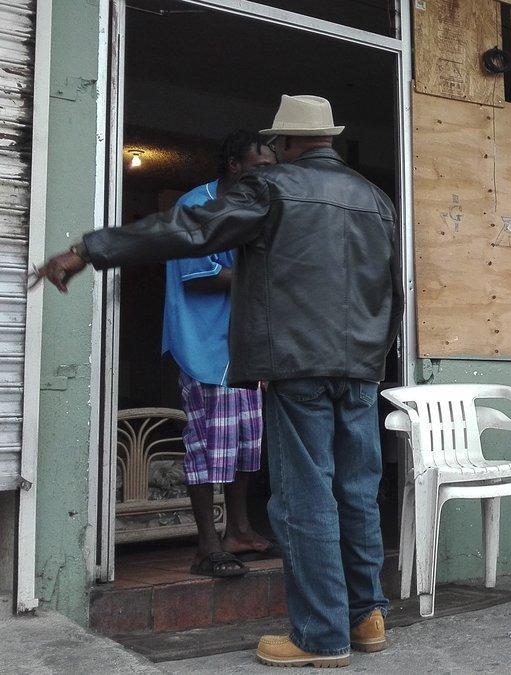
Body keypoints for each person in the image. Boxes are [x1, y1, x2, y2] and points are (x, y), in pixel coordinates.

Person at [35, 95, 402, 668]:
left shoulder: (272, 188)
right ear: (327, 139)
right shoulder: (375, 198)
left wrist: (90, 248)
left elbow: (189, 229)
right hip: (360, 366)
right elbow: (393, 286)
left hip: (297, 364)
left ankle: (321, 637)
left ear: (283, 144)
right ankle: (366, 617)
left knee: (304, 499)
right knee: (356, 491)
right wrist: (378, 355)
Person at [163, 130, 276, 579]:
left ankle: (240, 531)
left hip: (243, 347)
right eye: (261, 166)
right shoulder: (197, 206)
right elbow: (201, 277)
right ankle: (206, 547)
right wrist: (265, 270)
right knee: (208, 448)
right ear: (234, 165)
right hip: (205, 346)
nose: (269, 174)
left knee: (247, 445)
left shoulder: (252, 208)